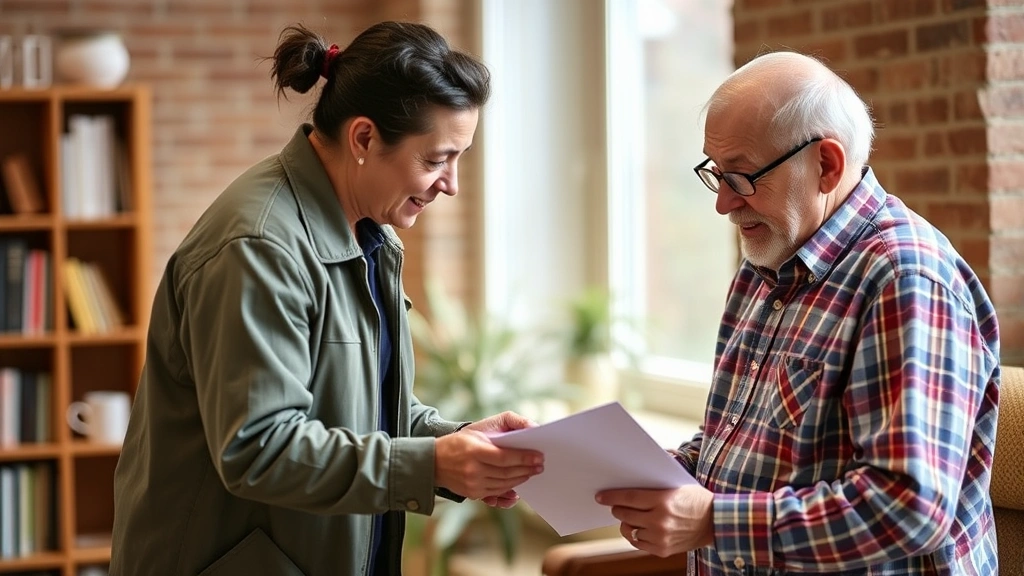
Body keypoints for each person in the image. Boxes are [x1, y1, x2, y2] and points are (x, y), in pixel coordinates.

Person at [110, 21, 544, 576]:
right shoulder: (259, 248)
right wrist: (431, 465)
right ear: (363, 138)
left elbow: (359, 403)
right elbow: (259, 447)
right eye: (436, 159)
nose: (451, 183)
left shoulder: (370, 232)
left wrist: (456, 442)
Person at [596, 51, 1001, 575]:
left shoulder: (905, 279)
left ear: (826, 165)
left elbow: (910, 508)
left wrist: (715, 521)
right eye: (715, 174)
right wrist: (668, 475)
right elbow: (735, 439)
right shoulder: (764, 264)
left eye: (740, 177)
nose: (722, 203)